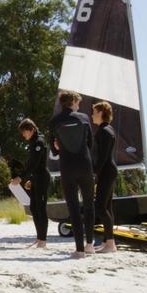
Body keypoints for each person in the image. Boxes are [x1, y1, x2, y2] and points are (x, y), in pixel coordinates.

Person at [48, 91, 95, 259]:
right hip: (85, 164)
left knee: (73, 208)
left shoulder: (54, 121)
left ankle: (79, 250)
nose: (78, 105)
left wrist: (59, 147)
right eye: (78, 102)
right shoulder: (84, 118)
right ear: (73, 101)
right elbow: (90, 143)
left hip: (67, 167)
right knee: (89, 205)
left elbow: (53, 149)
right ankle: (90, 245)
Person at [11, 119, 50, 248]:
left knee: (41, 208)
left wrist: (21, 177)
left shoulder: (39, 141)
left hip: (42, 178)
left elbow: (35, 164)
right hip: (36, 178)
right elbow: (31, 164)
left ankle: (43, 240)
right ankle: (39, 238)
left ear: (32, 129)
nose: (23, 135)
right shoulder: (33, 142)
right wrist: (31, 179)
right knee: (34, 208)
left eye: (24, 132)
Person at [92, 101, 118, 253]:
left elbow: (102, 157)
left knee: (100, 207)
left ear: (101, 113)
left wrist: (94, 171)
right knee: (107, 207)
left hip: (106, 172)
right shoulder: (107, 129)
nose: (92, 115)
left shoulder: (104, 131)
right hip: (108, 171)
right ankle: (109, 242)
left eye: (94, 112)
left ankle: (110, 244)